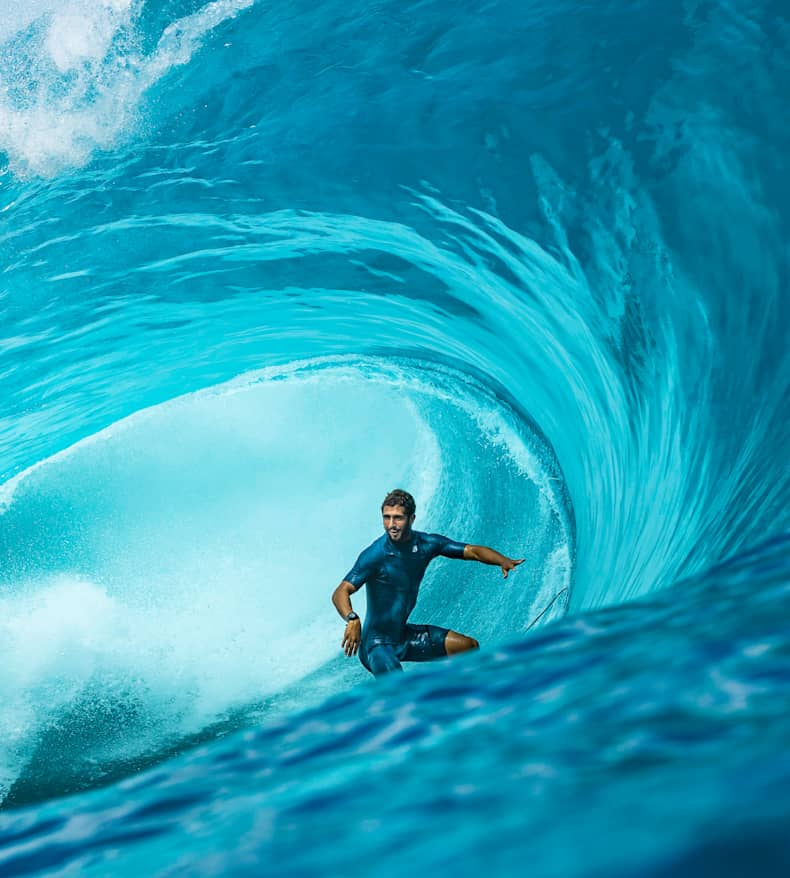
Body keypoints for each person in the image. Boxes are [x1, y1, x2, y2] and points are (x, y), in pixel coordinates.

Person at [331, 489, 524, 677]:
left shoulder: (426, 544)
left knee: (468, 647)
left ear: (411, 519)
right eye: (386, 517)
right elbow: (341, 591)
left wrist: (502, 560)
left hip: (403, 636)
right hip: (375, 645)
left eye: (398, 517)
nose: (391, 524)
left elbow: (471, 550)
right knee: (398, 683)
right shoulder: (375, 555)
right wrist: (352, 618)